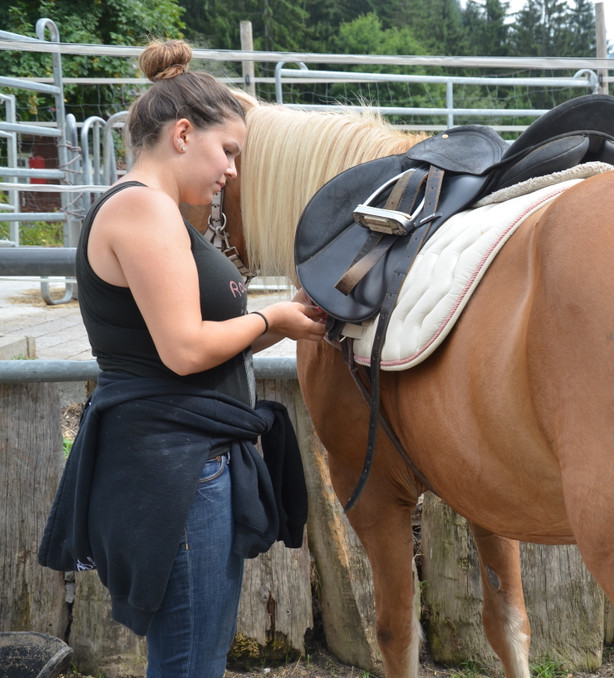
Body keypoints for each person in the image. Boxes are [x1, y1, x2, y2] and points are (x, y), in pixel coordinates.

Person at [37, 39, 326, 677]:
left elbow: (198, 338)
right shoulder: (143, 208)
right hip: (176, 468)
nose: (232, 171)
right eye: (228, 151)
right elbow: (185, 349)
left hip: (183, 459)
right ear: (184, 133)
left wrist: (285, 318)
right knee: (192, 663)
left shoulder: (154, 209)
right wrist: (271, 319)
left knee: (196, 656)